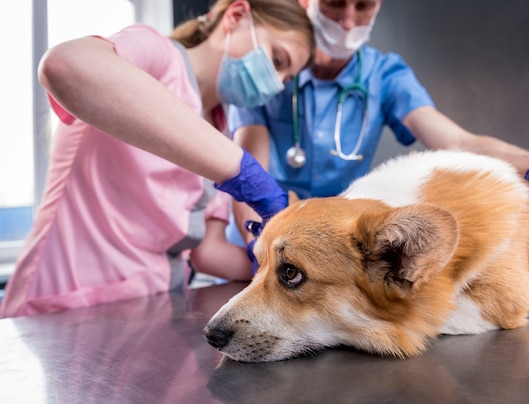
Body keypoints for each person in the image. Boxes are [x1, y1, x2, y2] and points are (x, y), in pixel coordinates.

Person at [209, 0, 529, 300]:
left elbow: (458, 142)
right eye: (334, 4)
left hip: (341, 259)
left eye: (363, 6)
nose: (347, 21)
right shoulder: (269, 67)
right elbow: (248, 171)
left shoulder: (385, 76)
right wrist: (257, 244)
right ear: (308, 2)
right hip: (261, 245)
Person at [0, 0, 315, 318]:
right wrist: (240, 169)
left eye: (286, 80)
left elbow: (209, 252)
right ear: (235, 15)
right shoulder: (158, 55)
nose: (276, 84)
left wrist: (279, 261)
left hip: (147, 311)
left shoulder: (218, 133)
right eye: (277, 60)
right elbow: (65, 64)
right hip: (63, 306)